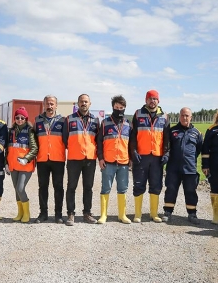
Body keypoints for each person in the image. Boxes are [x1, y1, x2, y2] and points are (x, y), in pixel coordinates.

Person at [129, 89, 170, 223]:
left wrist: (166, 153)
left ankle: (154, 214)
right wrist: (133, 151)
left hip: (157, 158)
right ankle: (138, 214)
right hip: (141, 157)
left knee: (156, 185)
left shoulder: (165, 116)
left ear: (158, 101)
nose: (152, 101)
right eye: (150, 99)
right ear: (146, 100)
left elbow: (167, 138)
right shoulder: (138, 114)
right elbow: (132, 135)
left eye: (154, 99)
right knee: (139, 185)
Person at [62, 93, 100, 226]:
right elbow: (64, 139)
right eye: (81, 101)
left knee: (88, 187)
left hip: (90, 158)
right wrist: (75, 148)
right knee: (71, 186)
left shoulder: (95, 120)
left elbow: (98, 139)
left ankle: (87, 213)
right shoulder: (69, 119)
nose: (83, 104)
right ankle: (71, 214)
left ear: (90, 104)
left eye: (86, 102)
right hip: (74, 158)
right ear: (78, 104)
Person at [162, 108, 203, 223]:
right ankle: (167, 212)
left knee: (190, 191)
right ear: (179, 117)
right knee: (171, 189)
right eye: (182, 115)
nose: (185, 118)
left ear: (191, 117)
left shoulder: (197, 133)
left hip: (189, 168)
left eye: (187, 116)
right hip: (173, 168)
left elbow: (199, 149)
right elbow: (167, 147)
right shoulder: (172, 131)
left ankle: (192, 214)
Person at [96, 95, 132, 224]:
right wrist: (100, 158)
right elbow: (99, 142)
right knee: (106, 188)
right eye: (117, 107)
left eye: (121, 108)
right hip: (108, 162)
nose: (119, 110)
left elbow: (131, 143)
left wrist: (131, 160)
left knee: (123, 189)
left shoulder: (128, 123)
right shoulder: (105, 122)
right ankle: (103, 215)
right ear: (113, 107)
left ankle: (122, 215)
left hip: (123, 162)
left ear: (124, 108)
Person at [34, 95, 66, 223]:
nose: (50, 106)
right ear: (44, 105)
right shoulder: (37, 120)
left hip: (58, 159)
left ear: (56, 106)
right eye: (47, 104)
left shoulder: (63, 121)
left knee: (58, 187)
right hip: (42, 159)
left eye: (52, 104)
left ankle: (58, 214)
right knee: (43, 187)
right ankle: (43, 213)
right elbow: (34, 140)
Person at [5, 107, 38, 223]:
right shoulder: (11, 131)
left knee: (20, 188)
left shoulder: (30, 131)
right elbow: (7, 149)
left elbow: (34, 148)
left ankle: (27, 213)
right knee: (16, 189)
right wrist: (6, 164)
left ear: (26, 119)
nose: (19, 119)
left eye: (22, 118)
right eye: (17, 117)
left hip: (25, 165)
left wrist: (26, 159)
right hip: (13, 165)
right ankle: (20, 213)